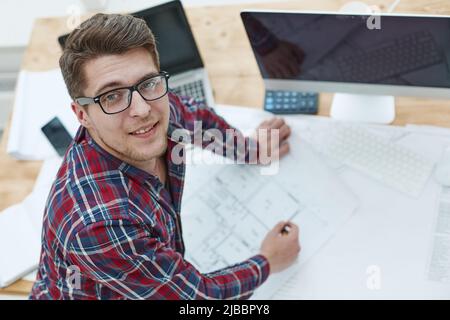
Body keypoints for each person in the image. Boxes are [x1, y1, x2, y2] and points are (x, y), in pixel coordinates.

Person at [30, 13, 300, 300]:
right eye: (112, 96)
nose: (143, 110)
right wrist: (269, 261)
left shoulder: (155, 102)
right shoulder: (99, 226)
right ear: (82, 114)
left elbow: (198, 119)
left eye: (147, 83)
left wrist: (249, 150)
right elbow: (196, 298)